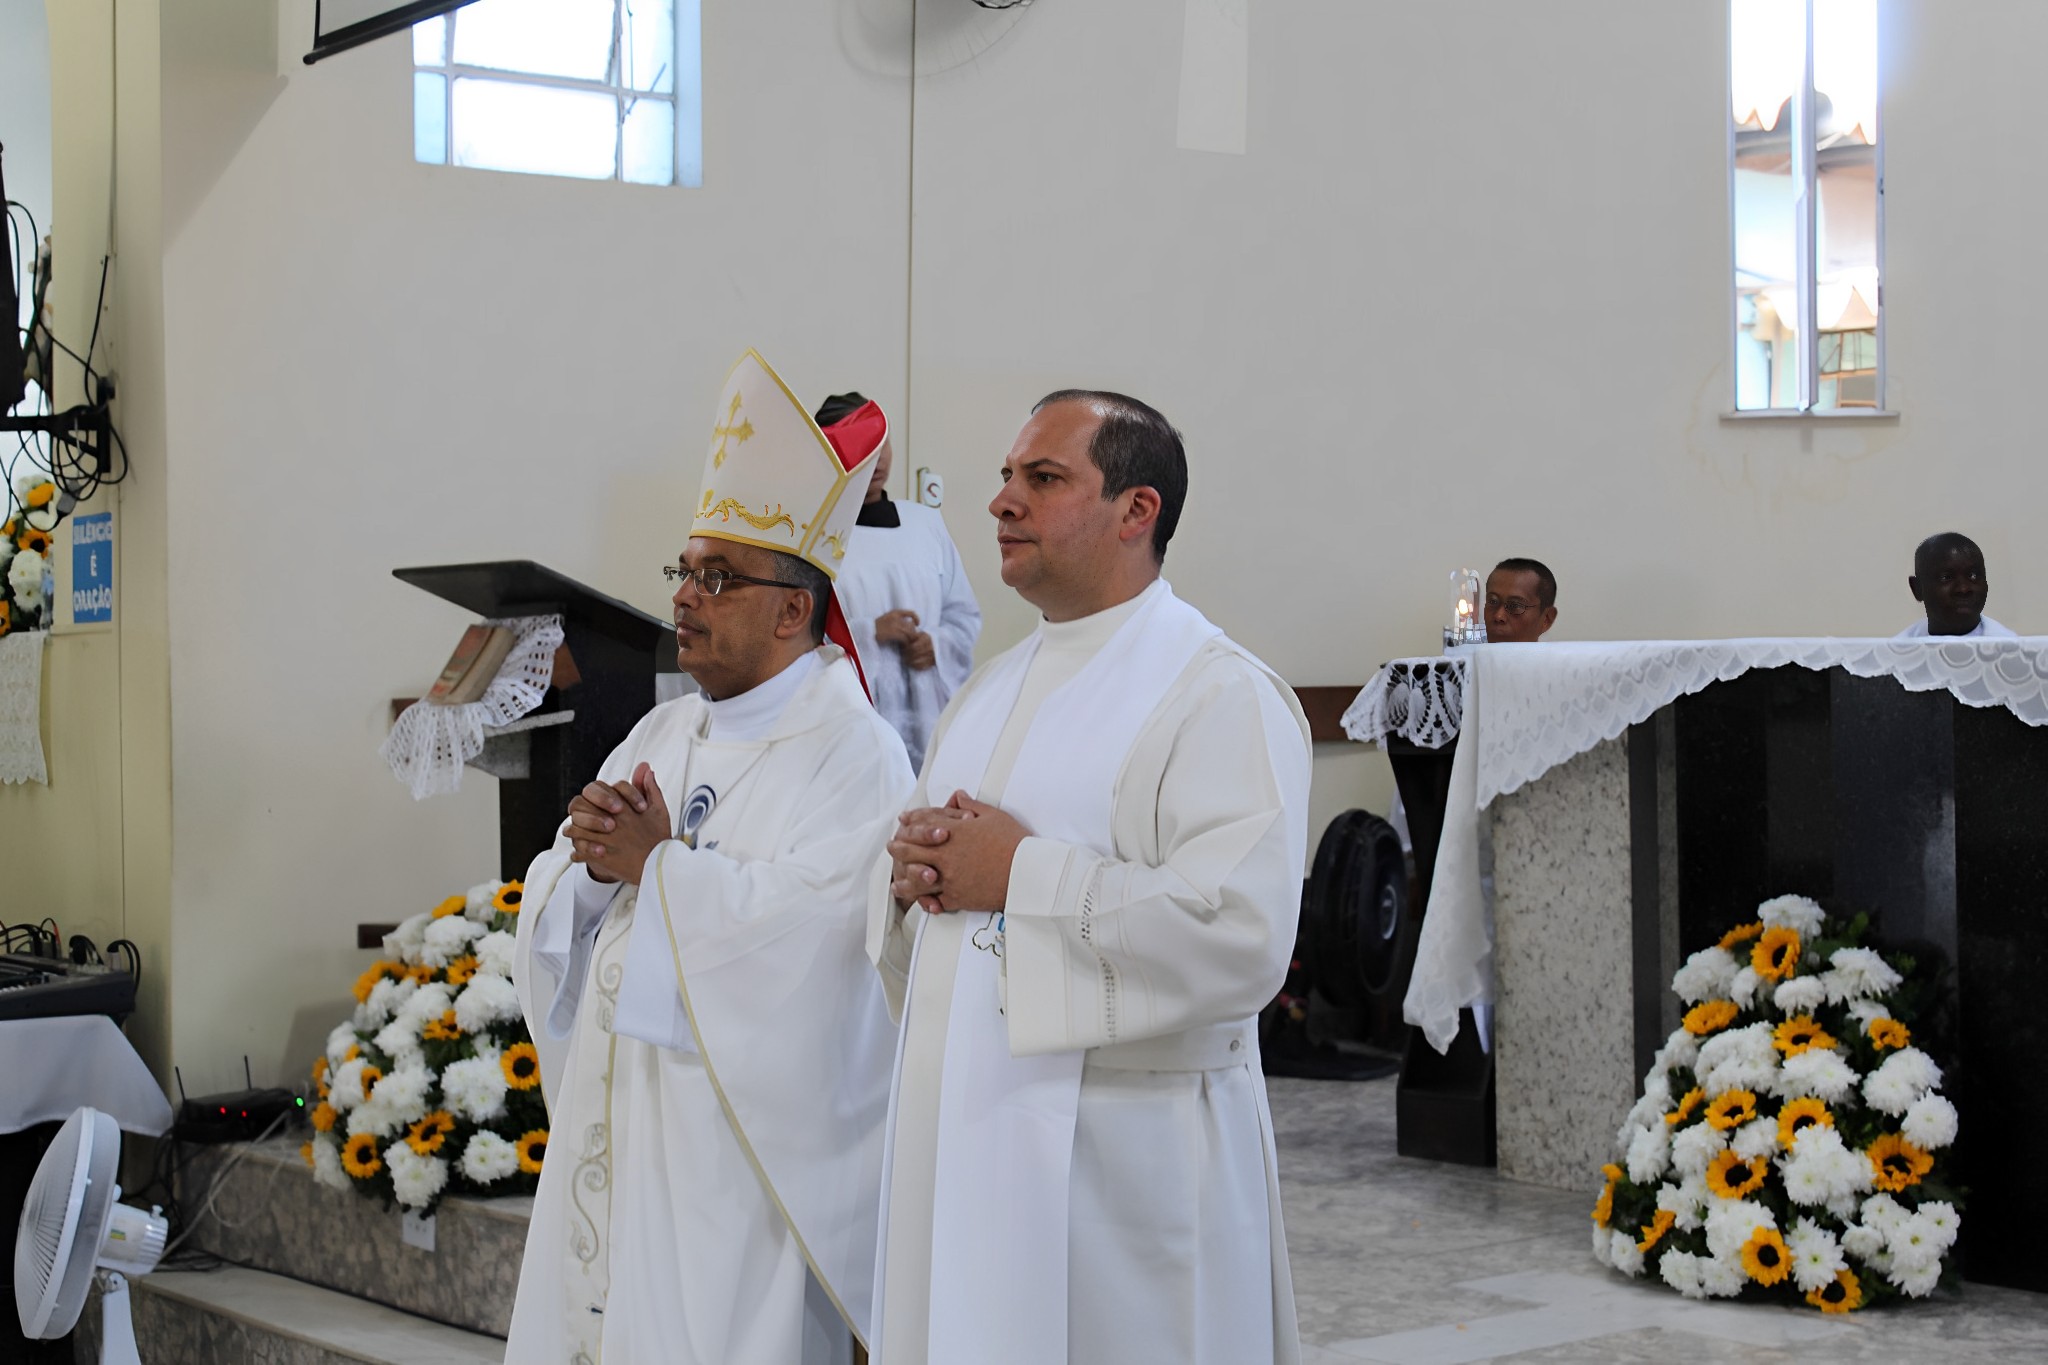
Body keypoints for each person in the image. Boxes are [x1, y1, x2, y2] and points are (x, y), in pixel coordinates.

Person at [867, 390, 1311, 1365]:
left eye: (1043, 478)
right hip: (969, 1129)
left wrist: (1020, 871)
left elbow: (1238, 935)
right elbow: (934, 908)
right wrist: (905, 880)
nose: (1001, 502)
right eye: (1004, 478)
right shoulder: (986, 688)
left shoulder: (1215, 692)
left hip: (1124, 1166)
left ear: (1135, 510)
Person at [507, 350, 914, 1365]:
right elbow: (563, 887)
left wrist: (660, 870)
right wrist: (592, 870)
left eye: (717, 578)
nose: (686, 597)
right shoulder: (662, 732)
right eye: (683, 572)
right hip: (625, 1123)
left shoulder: (852, 752)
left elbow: (827, 949)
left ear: (792, 611)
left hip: (744, 1163)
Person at [815, 391, 981, 771]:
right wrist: (869, 633)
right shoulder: (813, 535)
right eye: (862, 445)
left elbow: (963, 616)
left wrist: (936, 646)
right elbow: (795, 639)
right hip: (849, 732)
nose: (877, 458)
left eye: (882, 441)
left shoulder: (927, 525)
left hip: (929, 722)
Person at [1895, 532, 2017, 639]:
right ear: (1917, 588)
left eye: (1973, 576)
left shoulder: (2014, 653)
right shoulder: (1894, 656)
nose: (1963, 589)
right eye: (1946, 577)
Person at [1484, 557, 1557, 643]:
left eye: (1515, 606)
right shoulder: (1467, 655)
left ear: (1546, 619)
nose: (1498, 616)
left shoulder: (1561, 656)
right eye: (1493, 602)